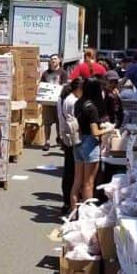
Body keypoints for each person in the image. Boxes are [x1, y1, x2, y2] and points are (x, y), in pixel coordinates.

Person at [72, 78, 110, 208]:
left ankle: (74, 213)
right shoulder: (92, 107)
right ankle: (87, 215)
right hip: (90, 143)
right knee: (88, 182)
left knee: (77, 182)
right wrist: (107, 129)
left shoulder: (78, 103)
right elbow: (95, 132)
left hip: (78, 141)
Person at [56, 77, 83, 214]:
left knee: (69, 171)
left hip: (66, 137)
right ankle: (70, 202)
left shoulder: (64, 100)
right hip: (74, 138)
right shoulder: (73, 102)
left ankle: (67, 201)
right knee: (73, 172)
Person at [40, 54, 68, 151]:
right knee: (47, 122)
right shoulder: (45, 74)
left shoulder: (63, 73)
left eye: (55, 59)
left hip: (58, 101)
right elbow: (42, 85)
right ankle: (47, 141)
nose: (53, 60)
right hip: (48, 101)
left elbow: (65, 85)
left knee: (59, 121)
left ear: (59, 61)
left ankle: (59, 138)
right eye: (51, 59)